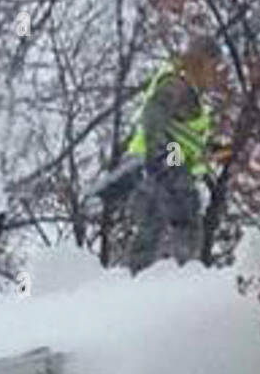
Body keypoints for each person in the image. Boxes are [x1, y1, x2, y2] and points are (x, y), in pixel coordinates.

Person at [97, 36, 227, 272]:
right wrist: (158, 157)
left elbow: (184, 141)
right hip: (161, 163)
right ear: (202, 61)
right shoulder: (177, 84)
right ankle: (184, 275)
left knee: (153, 225)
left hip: (157, 164)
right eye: (214, 66)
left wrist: (208, 152)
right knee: (182, 217)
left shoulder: (189, 91)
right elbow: (153, 115)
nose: (216, 75)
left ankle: (138, 278)